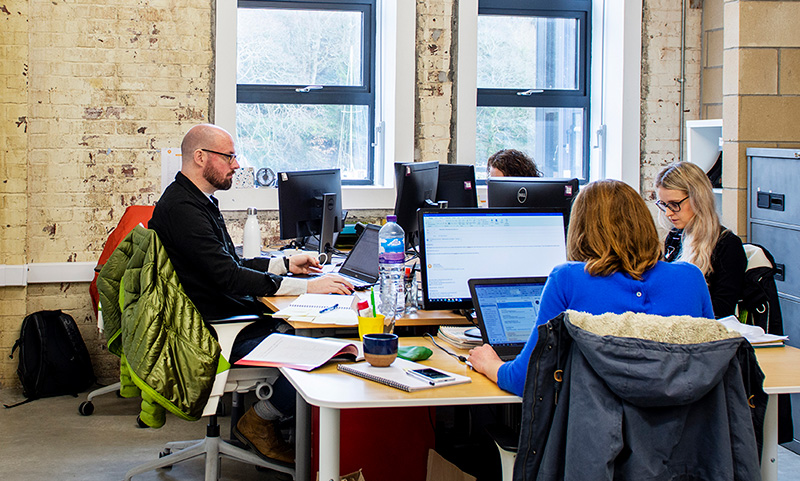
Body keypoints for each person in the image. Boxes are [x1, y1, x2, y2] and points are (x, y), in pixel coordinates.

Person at [149, 123, 355, 465]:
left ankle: (269, 422)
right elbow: (229, 277)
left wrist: (287, 264)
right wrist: (307, 287)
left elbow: (230, 263)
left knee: (312, 332)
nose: (236, 165)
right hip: (216, 333)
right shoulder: (183, 210)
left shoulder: (196, 200)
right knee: (324, 350)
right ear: (201, 157)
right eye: (229, 157)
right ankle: (260, 420)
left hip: (222, 318)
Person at [468, 179, 714, 396]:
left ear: (580, 230)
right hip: (683, 439)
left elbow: (527, 379)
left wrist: (489, 363)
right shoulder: (690, 277)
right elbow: (711, 365)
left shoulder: (568, 279)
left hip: (599, 439)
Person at [655, 162, 746, 319]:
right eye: (664, 205)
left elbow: (723, 309)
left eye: (675, 204)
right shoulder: (675, 237)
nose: (668, 213)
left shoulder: (728, 245)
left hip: (705, 331)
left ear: (699, 198)